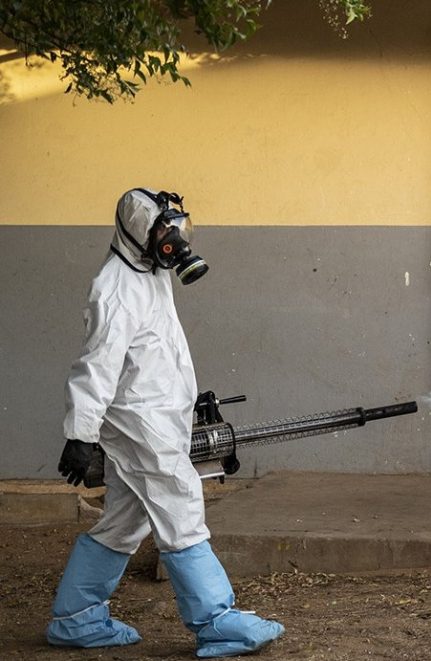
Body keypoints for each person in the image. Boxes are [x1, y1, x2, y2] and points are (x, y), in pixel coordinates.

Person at [48, 188, 283, 658]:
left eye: (176, 230)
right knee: (180, 503)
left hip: (157, 414)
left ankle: (76, 619)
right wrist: (80, 434)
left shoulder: (152, 271)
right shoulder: (114, 289)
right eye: (163, 233)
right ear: (139, 235)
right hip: (139, 422)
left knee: (125, 519)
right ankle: (215, 620)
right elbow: (95, 368)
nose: (174, 241)